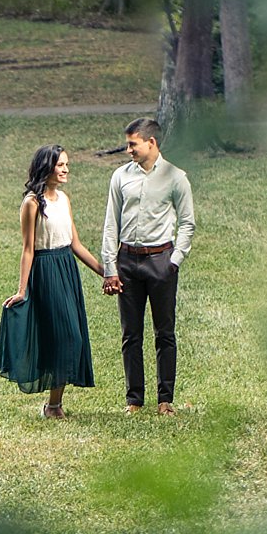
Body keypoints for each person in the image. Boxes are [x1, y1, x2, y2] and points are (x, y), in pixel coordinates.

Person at [0, 144, 105, 418]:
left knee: (72, 336)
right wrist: (22, 290)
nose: (66, 169)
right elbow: (28, 249)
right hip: (45, 271)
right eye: (61, 165)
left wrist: (105, 272)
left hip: (67, 269)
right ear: (47, 167)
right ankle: (53, 406)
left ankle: (54, 403)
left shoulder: (65, 199)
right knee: (65, 335)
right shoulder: (31, 203)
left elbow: (75, 244)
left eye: (67, 164)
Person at [100, 117, 195, 415]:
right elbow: (110, 223)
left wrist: (174, 261)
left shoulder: (176, 177)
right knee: (131, 335)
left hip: (160, 261)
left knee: (164, 333)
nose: (128, 149)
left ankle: (165, 400)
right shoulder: (120, 177)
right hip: (127, 261)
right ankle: (134, 401)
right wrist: (110, 267)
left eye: (133, 144)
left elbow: (188, 223)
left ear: (151, 143)